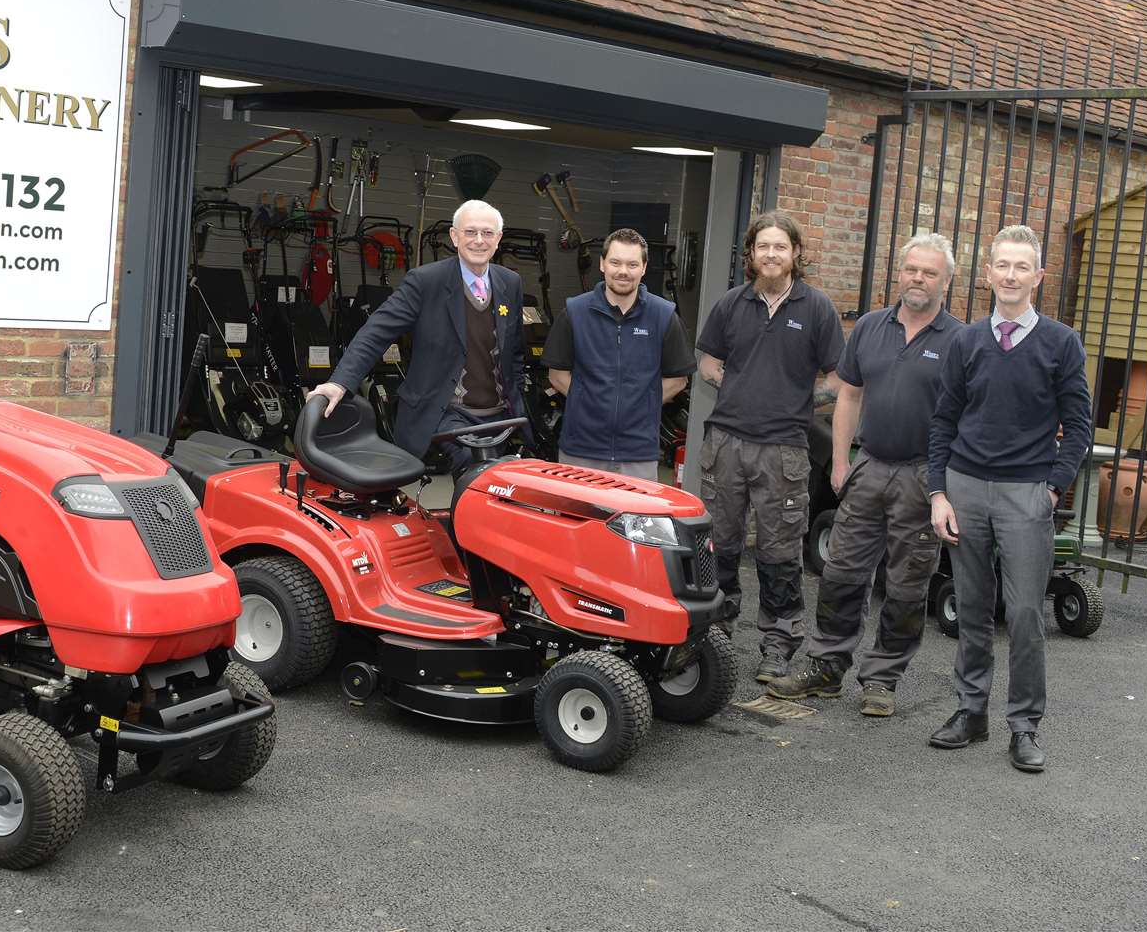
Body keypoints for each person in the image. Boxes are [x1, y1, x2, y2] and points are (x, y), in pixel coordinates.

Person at [766, 233, 959, 717]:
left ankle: (882, 679)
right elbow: (848, 396)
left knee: (908, 583)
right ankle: (826, 668)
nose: (918, 279)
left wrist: (945, 483)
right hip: (870, 465)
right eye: (911, 269)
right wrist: (840, 461)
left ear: (947, 281)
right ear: (900, 272)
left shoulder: (961, 341)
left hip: (922, 474)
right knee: (842, 572)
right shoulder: (872, 327)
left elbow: (967, 416)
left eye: (929, 272)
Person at [925, 224, 1091, 773]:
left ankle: (1024, 726)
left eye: (1022, 267)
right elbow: (944, 420)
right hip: (966, 489)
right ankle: (971, 712)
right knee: (971, 607)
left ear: (1038, 277)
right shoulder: (966, 342)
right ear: (989, 274)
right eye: (1002, 265)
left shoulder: (1061, 343)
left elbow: (1079, 425)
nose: (1011, 275)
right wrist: (938, 492)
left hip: (1026, 494)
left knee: (1022, 612)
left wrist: (1050, 487)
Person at [695, 210, 845, 681]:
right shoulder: (731, 304)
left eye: (781, 246)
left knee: (780, 551)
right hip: (726, 443)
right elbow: (707, 363)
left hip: (784, 450)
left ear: (796, 253)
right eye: (764, 247)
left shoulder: (817, 308)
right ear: (751, 255)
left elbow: (839, 379)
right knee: (718, 545)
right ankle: (713, 639)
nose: (772, 254)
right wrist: (736, 388)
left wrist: (798, 400)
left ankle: (777, 645)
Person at [308, 200, 524, 471]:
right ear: (454, 237)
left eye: (487, 233)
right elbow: (376, 332)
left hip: (499, 416)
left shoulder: (510, 282)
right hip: (447, 411)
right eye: (470, 232)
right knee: (477, 476)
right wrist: (339, 383)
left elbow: (513, 349)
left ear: (498, 239)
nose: (479, 241)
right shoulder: (425, 281)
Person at [543, 228, 695, 481]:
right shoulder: (574, 312)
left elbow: (678, 379)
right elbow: (557, 375)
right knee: (577, 518)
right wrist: (590, 404)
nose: (623, 271)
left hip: (638, 454)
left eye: (632, 264)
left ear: (644, 268)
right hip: (580, 450)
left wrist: (637, 406)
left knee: (635, 521)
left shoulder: (664, 316)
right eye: (615, 262)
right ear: (602, 264)